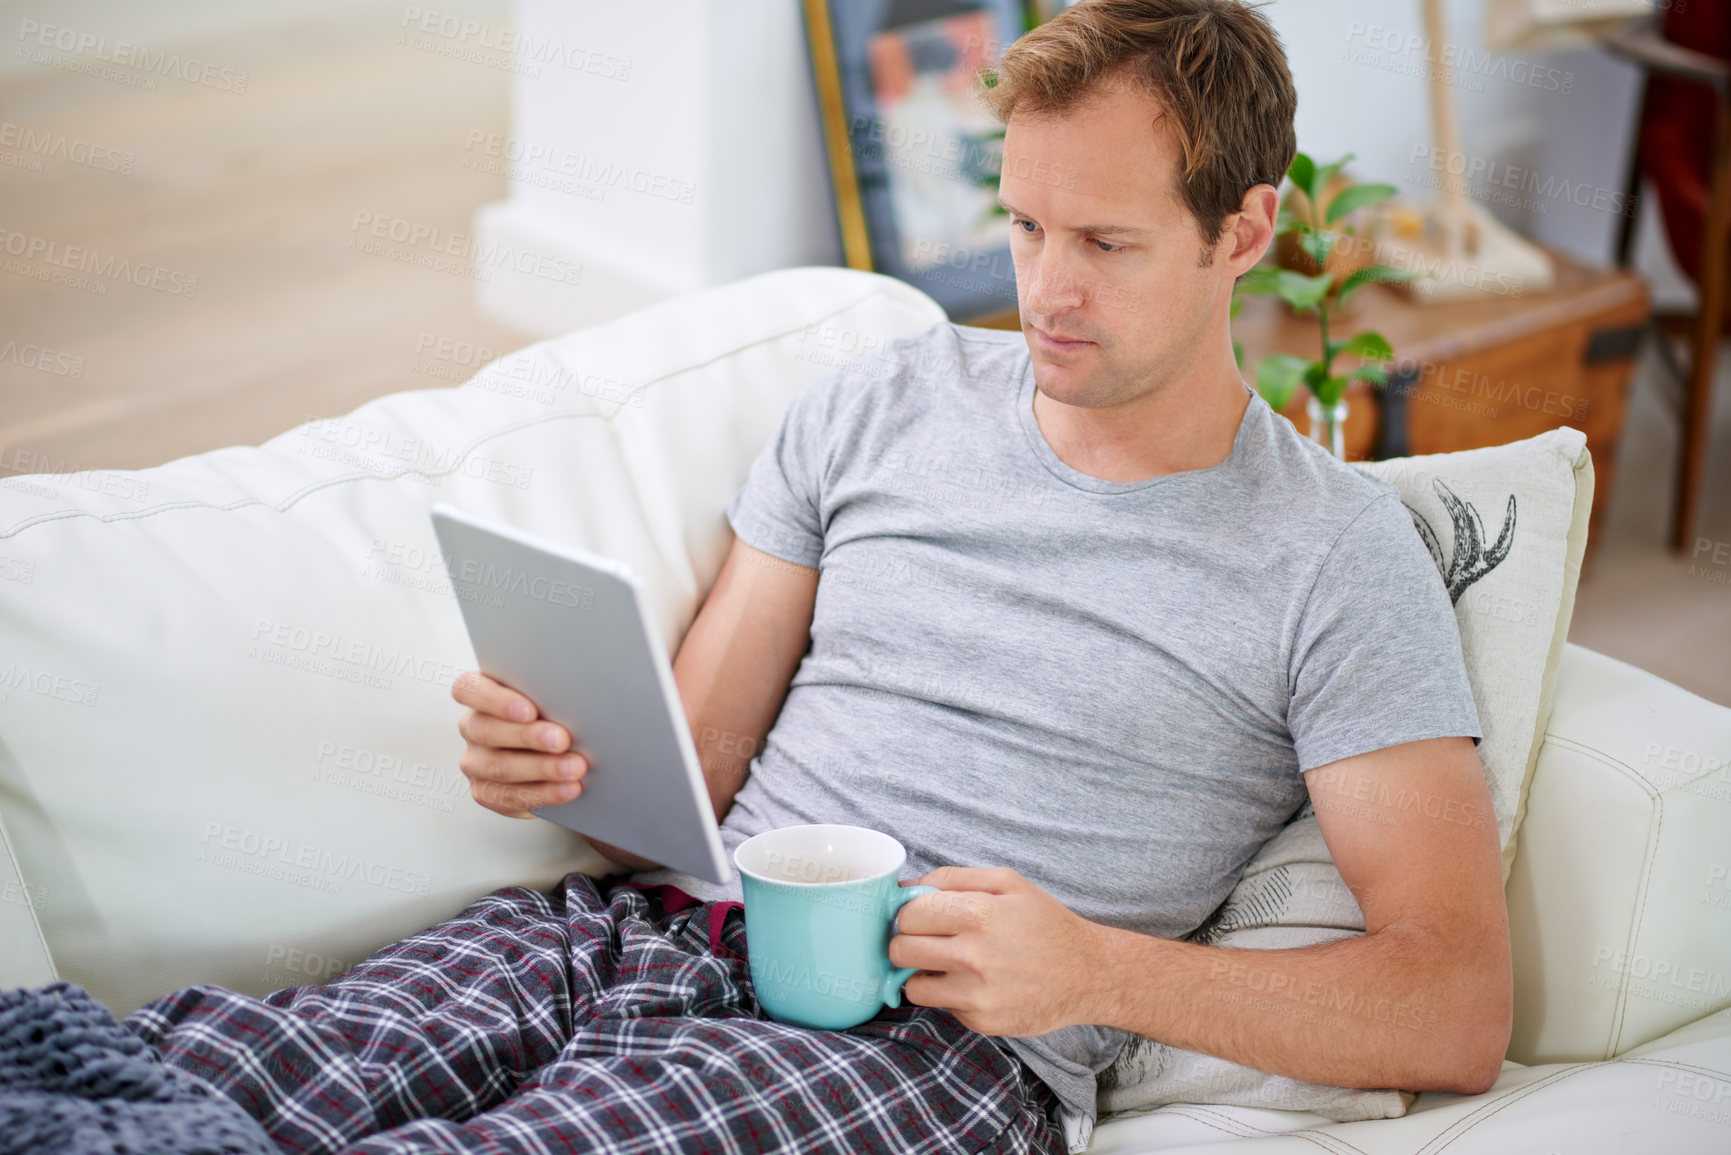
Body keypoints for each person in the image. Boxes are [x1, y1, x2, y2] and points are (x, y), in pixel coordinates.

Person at [127, 2, 1511, 1153]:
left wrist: (1097, 973)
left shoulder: (1335, 555)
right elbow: (687, 792)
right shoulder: (881, 401)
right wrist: (566, 768)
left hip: (924, 1051)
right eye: (1025, 227)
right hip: (636, 935)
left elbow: (1453, 1006)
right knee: (185, 1076)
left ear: (1246, 233)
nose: (1043, 291)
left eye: (1106, 243)